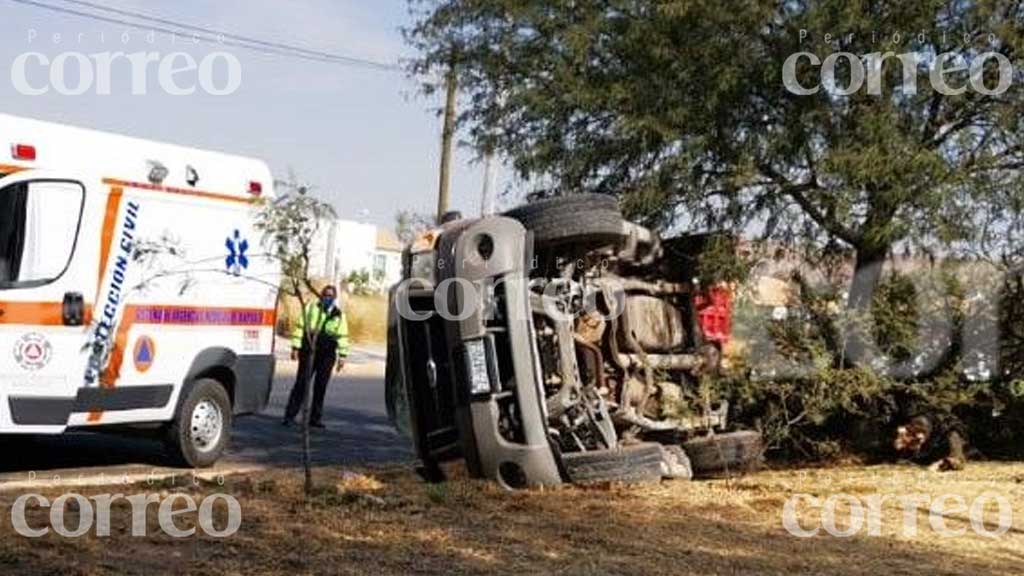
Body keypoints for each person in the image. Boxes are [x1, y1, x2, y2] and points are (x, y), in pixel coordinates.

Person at [282, 285, 349, 429]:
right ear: (321, 295)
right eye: (325, 295)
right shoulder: (311, 309)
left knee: (321, 387)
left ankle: (315, 418)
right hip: (309, 351)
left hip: (327, 354)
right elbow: (300, 327)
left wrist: (342, 356)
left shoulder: (339, 315)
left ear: (335, 298)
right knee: (301, 384)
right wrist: (295, 347)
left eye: (331, 296)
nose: (328, 298)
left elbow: (342, 336)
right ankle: (290, 416)